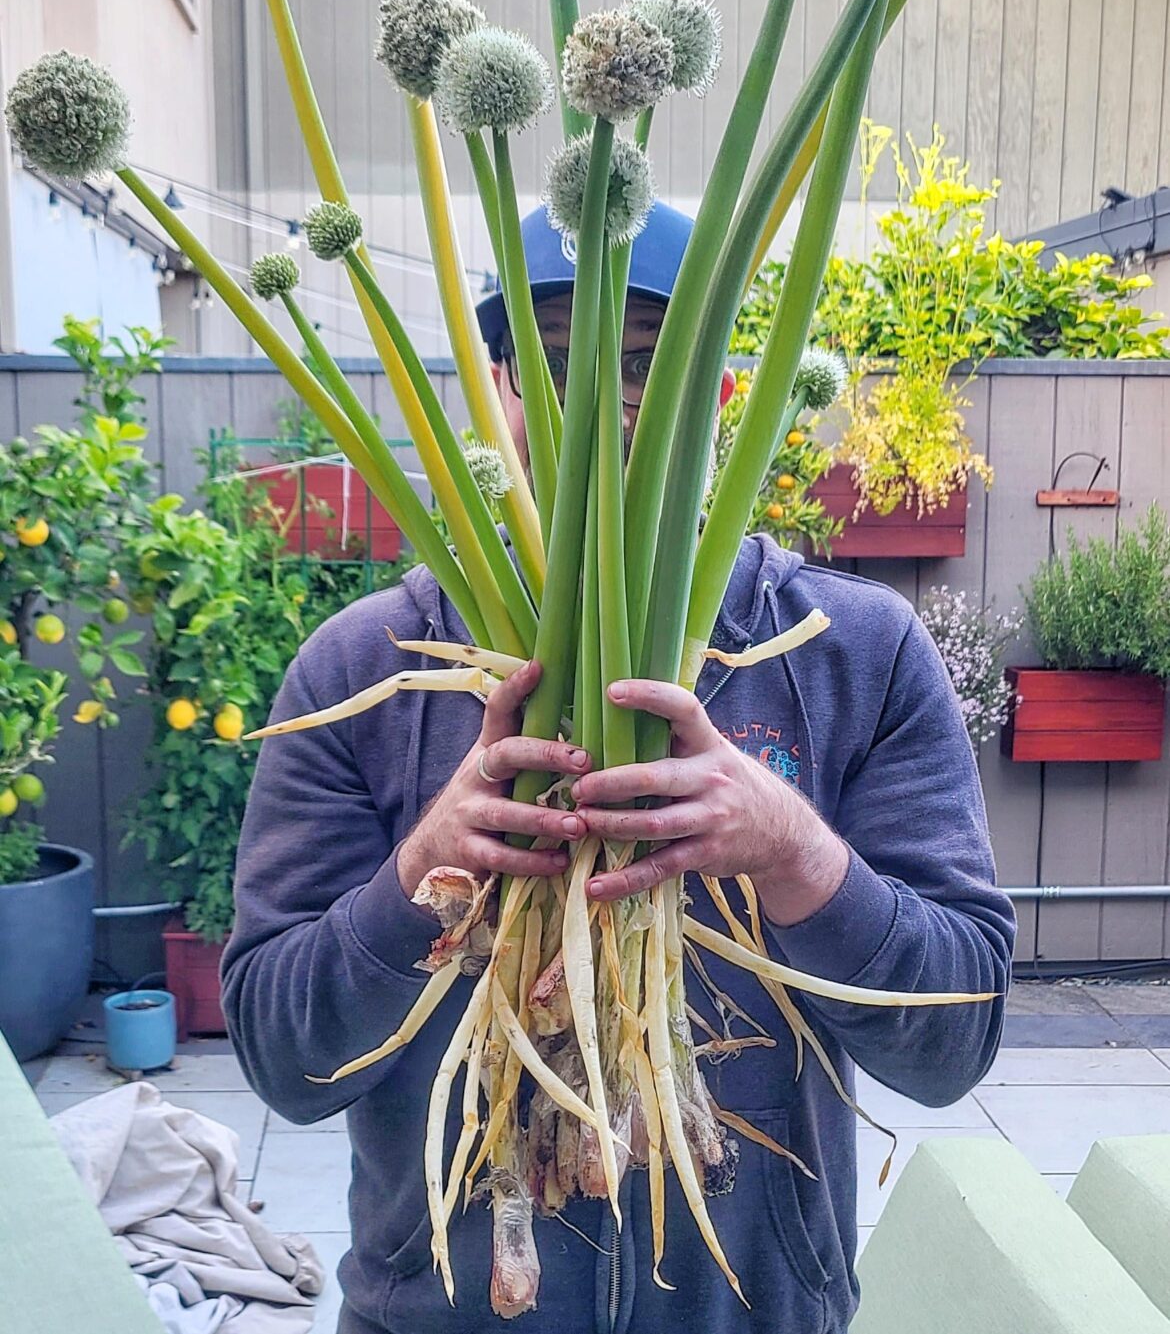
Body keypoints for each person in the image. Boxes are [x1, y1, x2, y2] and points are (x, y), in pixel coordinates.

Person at [222, 200, 1015, 1334]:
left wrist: (794, 852)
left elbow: (954, 1043)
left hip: (752, 1316)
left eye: (646, 361)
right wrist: (422, 875)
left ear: (723, 393)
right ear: (501, 397)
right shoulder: (364, 667)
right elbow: (280, 1061)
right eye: (554, 369)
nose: (601, 405)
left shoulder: (858, 654)